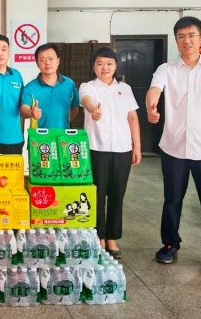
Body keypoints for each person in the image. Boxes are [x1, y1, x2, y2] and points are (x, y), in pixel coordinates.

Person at [146, 16, 201, 278]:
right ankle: (170, 244)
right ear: (176, 40)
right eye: (181, 36)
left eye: (191, 35)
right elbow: (155, 89)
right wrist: (152, 105)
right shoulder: (167, 69)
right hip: (174, 147)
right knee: (172, 199)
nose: (187, 41)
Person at [80, 46, 141, 257]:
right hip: (97, 148)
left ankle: (112, 237)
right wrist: (93, 110)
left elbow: (132, 118)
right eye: (100, 64)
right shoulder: (88, 86)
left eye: (109, 64)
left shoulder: (125, 89)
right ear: (93, 66)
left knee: (117, 194)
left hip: (122, 149)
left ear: (115, 66)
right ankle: (99, 236)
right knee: (97, 194)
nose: (104, 68)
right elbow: (86, 100)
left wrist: (137, 146)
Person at [20, 43, 79, 129]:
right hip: (38, 136)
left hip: (63, 135)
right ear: (37, 64)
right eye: (42, 60)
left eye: (51, 59)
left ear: (58, 61)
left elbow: (75, 108)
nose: (47, 63)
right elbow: (23, 109)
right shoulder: (30, 88)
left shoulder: (69, 84)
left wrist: (63, 122)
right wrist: (31, 112)